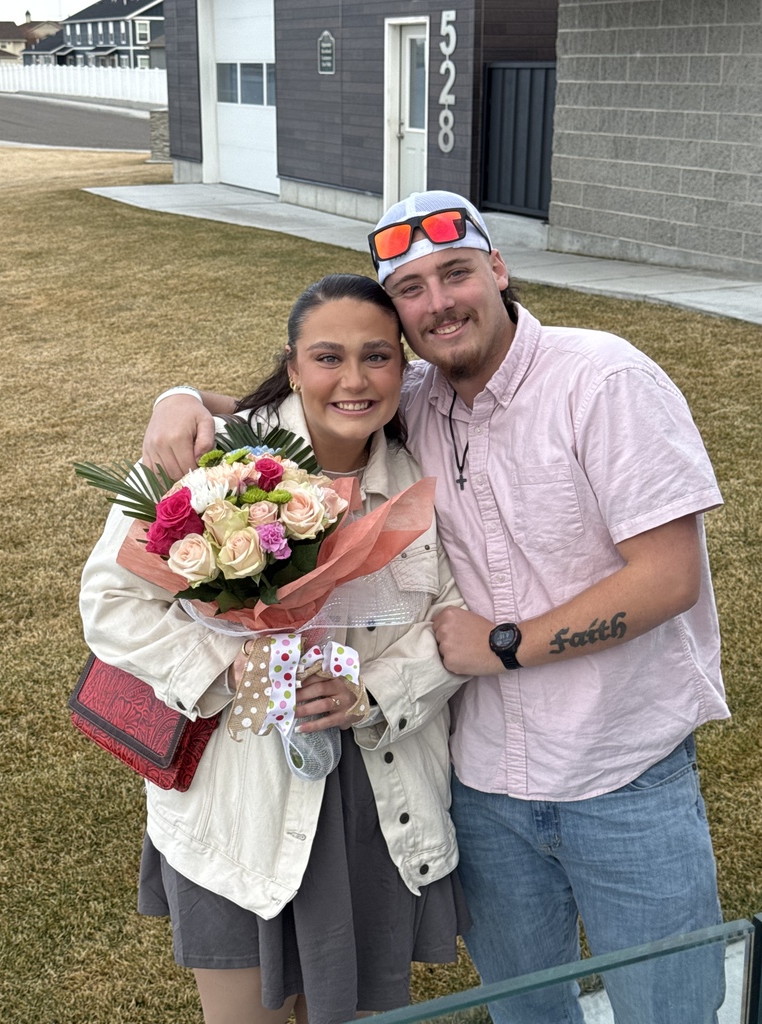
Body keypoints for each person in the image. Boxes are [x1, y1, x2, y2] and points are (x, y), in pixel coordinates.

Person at [141, 192, 730, 1024]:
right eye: (411, 289)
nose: (438, 302)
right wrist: (179, 396)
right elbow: (300, 389)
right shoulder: (410, 394)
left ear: (498, 268)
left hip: (620, 774)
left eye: (455, 273)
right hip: (482, 784)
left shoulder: (605, 380)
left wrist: (503, 644)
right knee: (527, 1009)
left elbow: (670, 577)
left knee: (669, 1007)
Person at [80, 273, 471, 1024]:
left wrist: (373, 692)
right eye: (328, 357)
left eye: (378, 357)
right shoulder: (202, 464)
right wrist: (229, 666)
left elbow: (451, 617)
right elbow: (110, 603)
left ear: (405, 368)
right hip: (239, 797)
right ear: (292, 366)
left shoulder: (418, 477)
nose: (354, 380)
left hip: (374, 798)